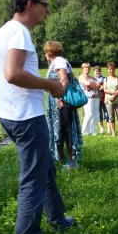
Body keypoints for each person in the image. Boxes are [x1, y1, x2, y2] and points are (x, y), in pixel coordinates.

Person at [0, 0, 74, 234]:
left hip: (12, 114)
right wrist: (49, 84)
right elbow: (12, 73)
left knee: (46, 169)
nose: (47, 12)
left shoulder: (4, 31)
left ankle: (58, 219)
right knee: (33, 179)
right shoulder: (19, 33)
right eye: (45, 5)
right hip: (26, 118)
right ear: (30, 4)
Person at [44, 41, 83, 169]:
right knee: (60, 130)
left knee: (67, 130)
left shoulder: (59, 61)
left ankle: (72, 163)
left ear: (50, 53)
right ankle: (60, 160)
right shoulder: (57, 62)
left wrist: (60, 98)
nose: (44, 55)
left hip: (62, 102)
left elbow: (64, 79)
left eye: (45, 52)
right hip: (57, 101)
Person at [79, 62, 100, 135]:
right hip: (87, 98)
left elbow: (98, 85)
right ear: (82, 69)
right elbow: (87, 84)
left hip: (96, 97)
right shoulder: (81, 77)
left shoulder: (93, 77)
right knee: (89, 114)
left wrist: (91, 86)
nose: (87, 69)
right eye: (85, 67)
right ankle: (84, 132)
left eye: (88, 67)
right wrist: (93, 85)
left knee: (95, 114)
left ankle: (93, 131)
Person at [103, 62, 118, 136]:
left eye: (112, 69)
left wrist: (114, 96)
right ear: (107, 70)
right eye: (110, 69)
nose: (111, 70)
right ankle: (113, 132)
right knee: (111, 117)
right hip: (109, 101)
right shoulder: (105, 79)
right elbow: (105, 89)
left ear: (115, 69)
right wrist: (111, 93)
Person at [94, 66, 110, 135]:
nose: (97, 72)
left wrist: (102, 87)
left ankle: (109, 129)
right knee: (99, 114)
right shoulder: (92, 79)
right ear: (94, 72)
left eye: (99, 71)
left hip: (105, 98)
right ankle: (101, 129)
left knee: (107, 113)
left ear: (100, 71)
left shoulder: (105, 79)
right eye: (96, 71)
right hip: (96, 99)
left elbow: (107, 87)